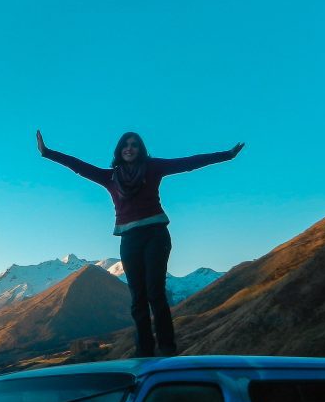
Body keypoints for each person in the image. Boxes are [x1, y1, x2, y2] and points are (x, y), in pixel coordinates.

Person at [36, 130, 243, 357]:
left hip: (156, 235)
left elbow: (188, 163)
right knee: (138, 298)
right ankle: (144, 351)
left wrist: (227, 155)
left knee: (155, 293)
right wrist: (47, 153)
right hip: (129, 239)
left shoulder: (153, 168)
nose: (130, 148)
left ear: (140, 149)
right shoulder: (109, 177)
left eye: (134, 144)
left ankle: (166, 349)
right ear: (119, 150)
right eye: (126, 144)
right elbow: (78, 166)